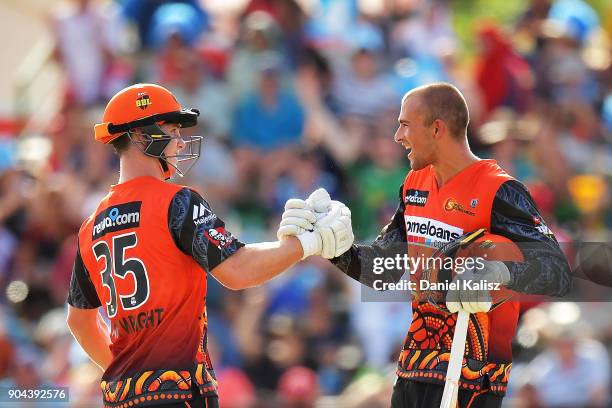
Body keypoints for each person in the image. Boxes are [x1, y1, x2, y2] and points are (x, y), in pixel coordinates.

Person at [282, 82, 572, 407]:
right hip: (414, 367)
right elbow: (384, 271)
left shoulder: (500, 189)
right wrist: (331, 247)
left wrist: (496, 273)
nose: (397, 136)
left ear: (437, 128)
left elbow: (557, 271)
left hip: (472, 374)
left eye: (405, 124)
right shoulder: (414, 183)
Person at [65, 83, 353, 408]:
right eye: (171, 130)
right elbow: (238, 270)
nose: (180, 141)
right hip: (180, 394)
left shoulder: (91, 226)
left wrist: (128, 371)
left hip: (123, 397)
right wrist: (306, 244)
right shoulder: (177, 201)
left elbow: (80, 321)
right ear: (141, 137)